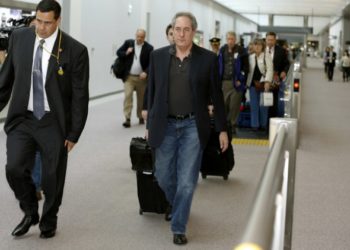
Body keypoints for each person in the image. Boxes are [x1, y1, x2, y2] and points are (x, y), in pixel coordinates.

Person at [0, 0, 89, 239]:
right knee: (14, 168)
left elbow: (80, 97)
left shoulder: (74, 50)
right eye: (38, 21)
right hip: (22, 118)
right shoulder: (20, 38)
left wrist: (73, 133)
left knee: (52, 177)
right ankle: (30, 211)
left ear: (58, 21)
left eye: (47, 23)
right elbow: (5, 78)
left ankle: (49, 218)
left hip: (53, 121)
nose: (41, 27)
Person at [146, 12, 229, 245]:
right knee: (162, 174)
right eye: (177, 29)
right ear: (172, 30)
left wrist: (222, 129)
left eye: (186, 30)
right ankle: (178, 203)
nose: (181, 34)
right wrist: (150, 124)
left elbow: (217, 95)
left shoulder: (208, 60)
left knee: (187, 181)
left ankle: (179, 226)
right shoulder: (158, 57)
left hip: (193, 124)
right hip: (165, 124)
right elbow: (152, 91)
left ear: (194, 32)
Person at [117, 29, 153, 128]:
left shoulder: (149, 48)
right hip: (129, 77)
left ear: (144, 37)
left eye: (141, 37)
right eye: (138, 36)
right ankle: (127, 118)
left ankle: (140, 116)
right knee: (128, 96)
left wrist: (146, 72)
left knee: (141, 99)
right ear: (135, 35)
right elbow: (118, 52)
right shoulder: (128, 43)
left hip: (141, 79)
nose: (139, 38)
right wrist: (126, 52)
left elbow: (151, 63)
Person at [218, 31, 249, 134]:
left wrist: (241, 79)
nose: (230, 41)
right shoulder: (222, 50)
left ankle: (233, 125)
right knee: (224, 105)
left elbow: (246, 67)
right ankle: (224, 125)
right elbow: (219, 65)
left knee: (234, 106)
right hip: (225, 82)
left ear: (235, 40)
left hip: (236, 82)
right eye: (228, 39)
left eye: (232, 39)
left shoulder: (241, 51)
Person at [246, 39, 273, 131]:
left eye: (259, 45)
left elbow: (270, 70)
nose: (257, 47)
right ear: (253, 46)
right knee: (254, 106)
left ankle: (263, 124)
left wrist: (267, 82)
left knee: (263, 106)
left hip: (263, 84)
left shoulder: (266, 56)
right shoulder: (250, 57)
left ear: (262, 47)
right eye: (255, 45)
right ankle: (254, 125)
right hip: (253, 85)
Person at [265, 31, 290, 118]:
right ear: (266, 40)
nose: (270, 42)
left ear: (275, 40)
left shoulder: (281, 51)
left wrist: (284, 71)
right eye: (268, 40)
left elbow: (287, 63)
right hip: (263, 79)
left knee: (275, 101)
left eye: (272, 40)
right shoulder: (262, 49)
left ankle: (274, 119)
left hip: (276, 79)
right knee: (264, 101)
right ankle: (264, 123)